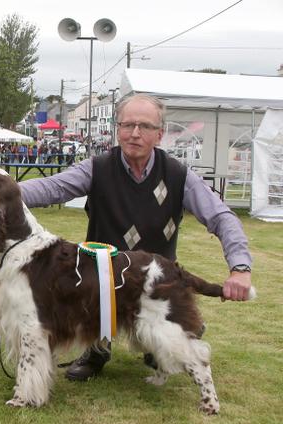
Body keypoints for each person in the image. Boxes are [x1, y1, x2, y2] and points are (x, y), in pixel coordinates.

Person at [15, 94, 253, 381]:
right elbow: (51, 188)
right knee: (87, 291)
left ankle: (156, 345)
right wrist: (4, 191)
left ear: (160, 133)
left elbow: (222, 217)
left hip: (155, 281)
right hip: (101, 282)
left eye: (144, 126)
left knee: (174, 341)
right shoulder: (97, 168)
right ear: (117, 129)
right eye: (127, 125)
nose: (135, 133)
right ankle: (95, 349)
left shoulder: (178, 175)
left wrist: (240, 268)